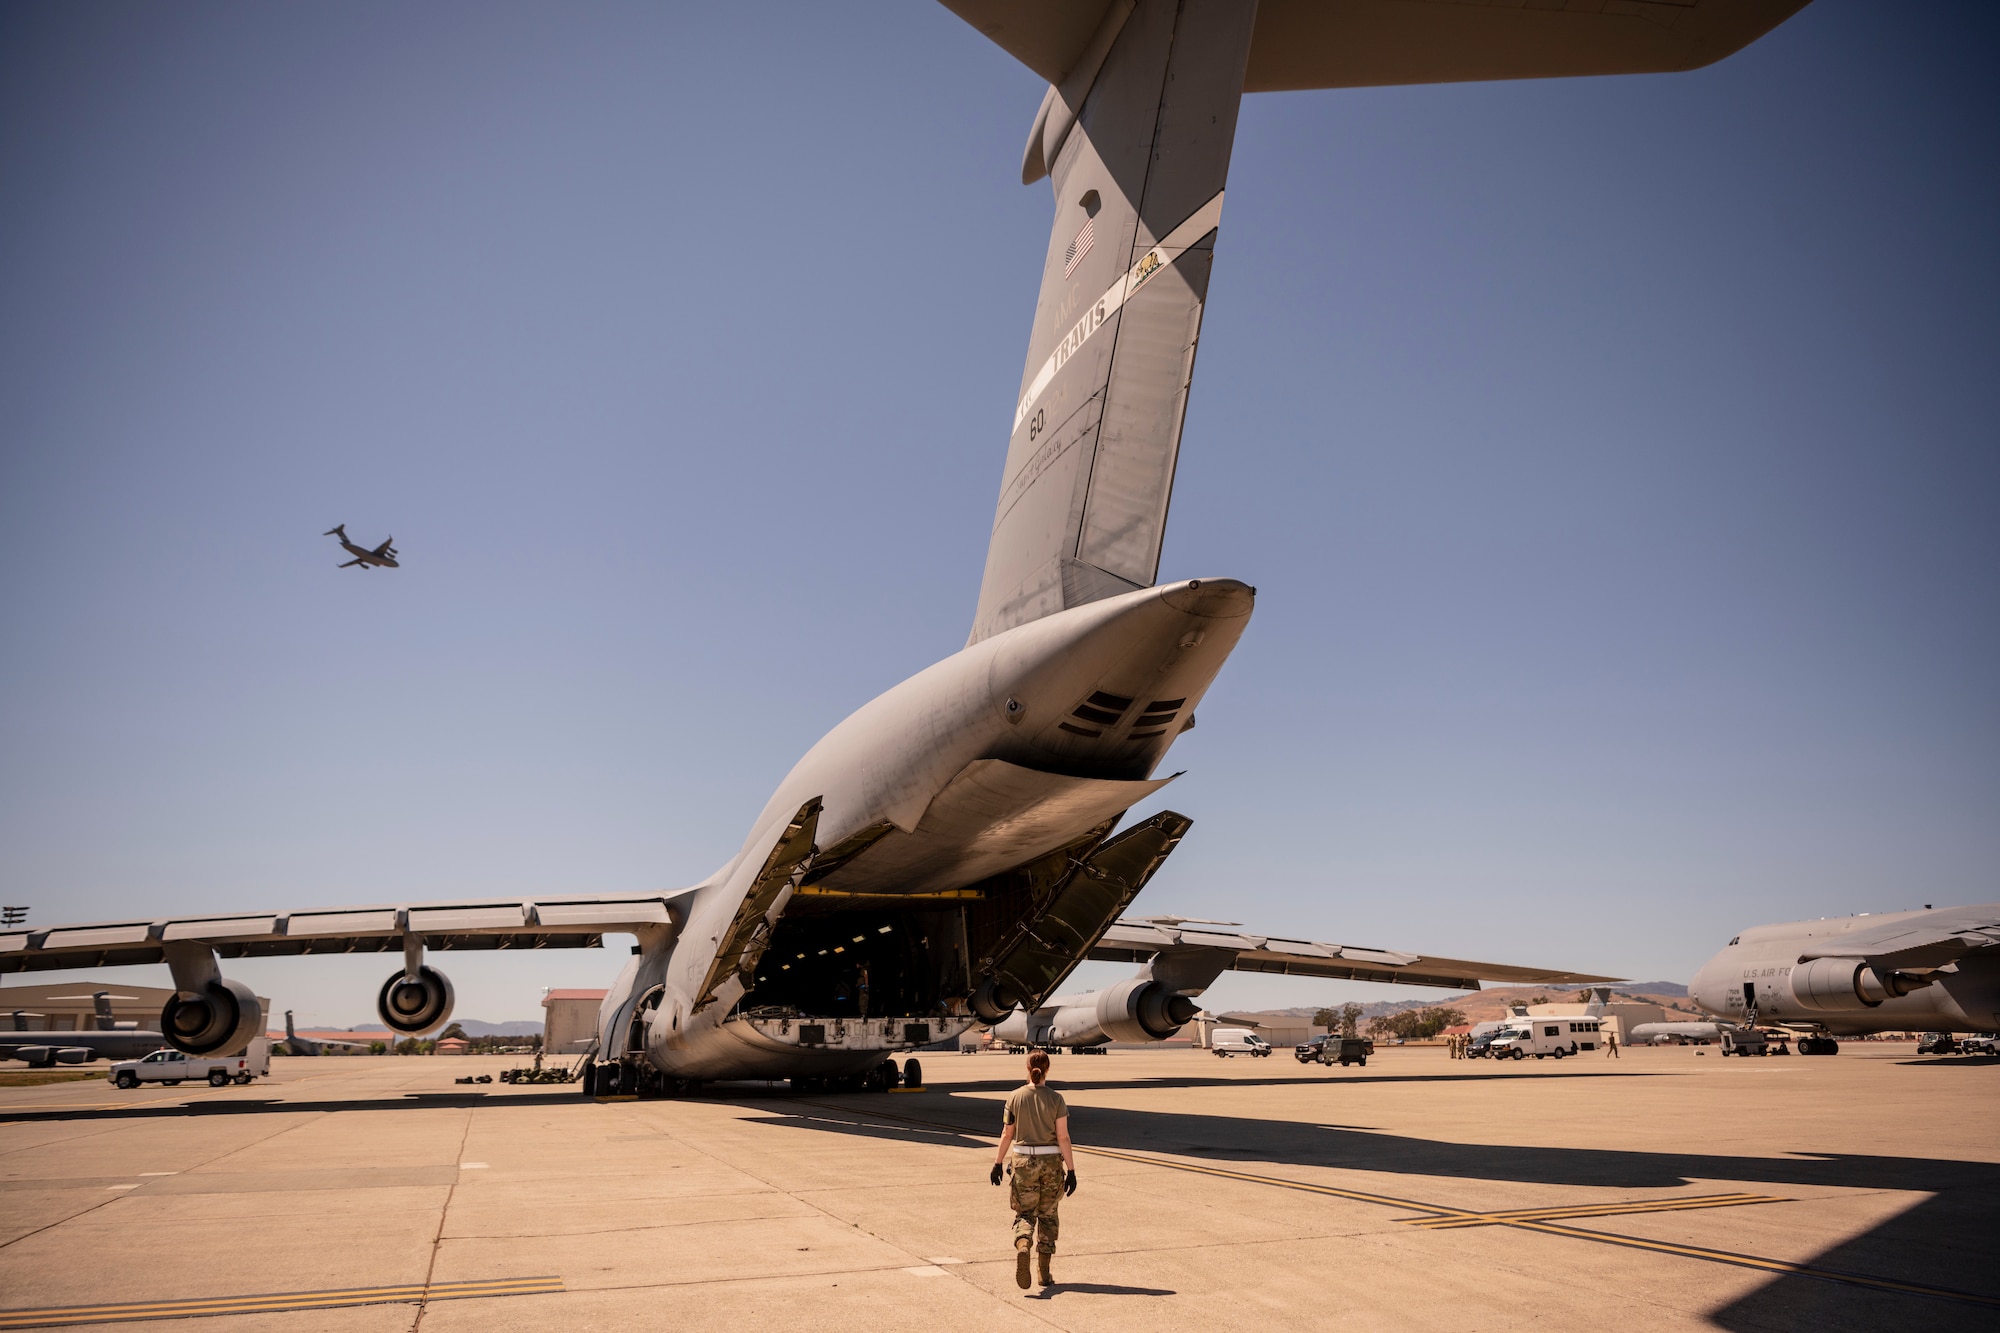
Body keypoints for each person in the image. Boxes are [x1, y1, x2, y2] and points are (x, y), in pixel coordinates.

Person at [990, 1050, 1075, 1290]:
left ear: (1028, 1068)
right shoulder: (1056, 1099)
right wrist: (1071, 1170)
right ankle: (1044, 1274)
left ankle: (1023, 1245)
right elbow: (1063, 1137)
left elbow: (1008, 1133)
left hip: (1023, 1163)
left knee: (1025, 1214)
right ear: (1048, 1068)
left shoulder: (1014, 1097)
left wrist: (997, 1162)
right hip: (1050, 1164)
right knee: (1048, 1216)